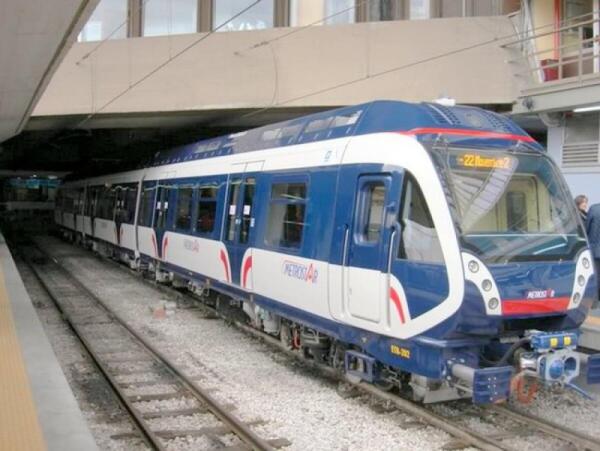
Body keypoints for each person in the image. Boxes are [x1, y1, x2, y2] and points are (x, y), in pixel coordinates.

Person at [586, 203, 600, 307]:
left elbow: (586, 229)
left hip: (595, 250)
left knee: (595, 276)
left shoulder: (594, 209)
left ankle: (594, 302)